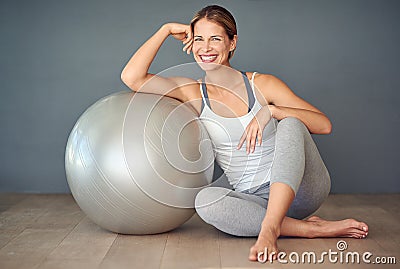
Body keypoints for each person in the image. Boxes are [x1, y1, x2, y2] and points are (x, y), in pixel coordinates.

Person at [121, 4, 368, 262]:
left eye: (215, 39)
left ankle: (271, 229)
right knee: (205, 201)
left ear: (232, 42)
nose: (205, 48)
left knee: (291, 123)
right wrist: (165, 29)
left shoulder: (262, 84)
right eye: (199, 39)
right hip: (252, 199)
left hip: (302, 190)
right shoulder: (192, 93)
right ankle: (308, 229)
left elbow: (323, 124)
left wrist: (272, 112)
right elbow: (132, 78)